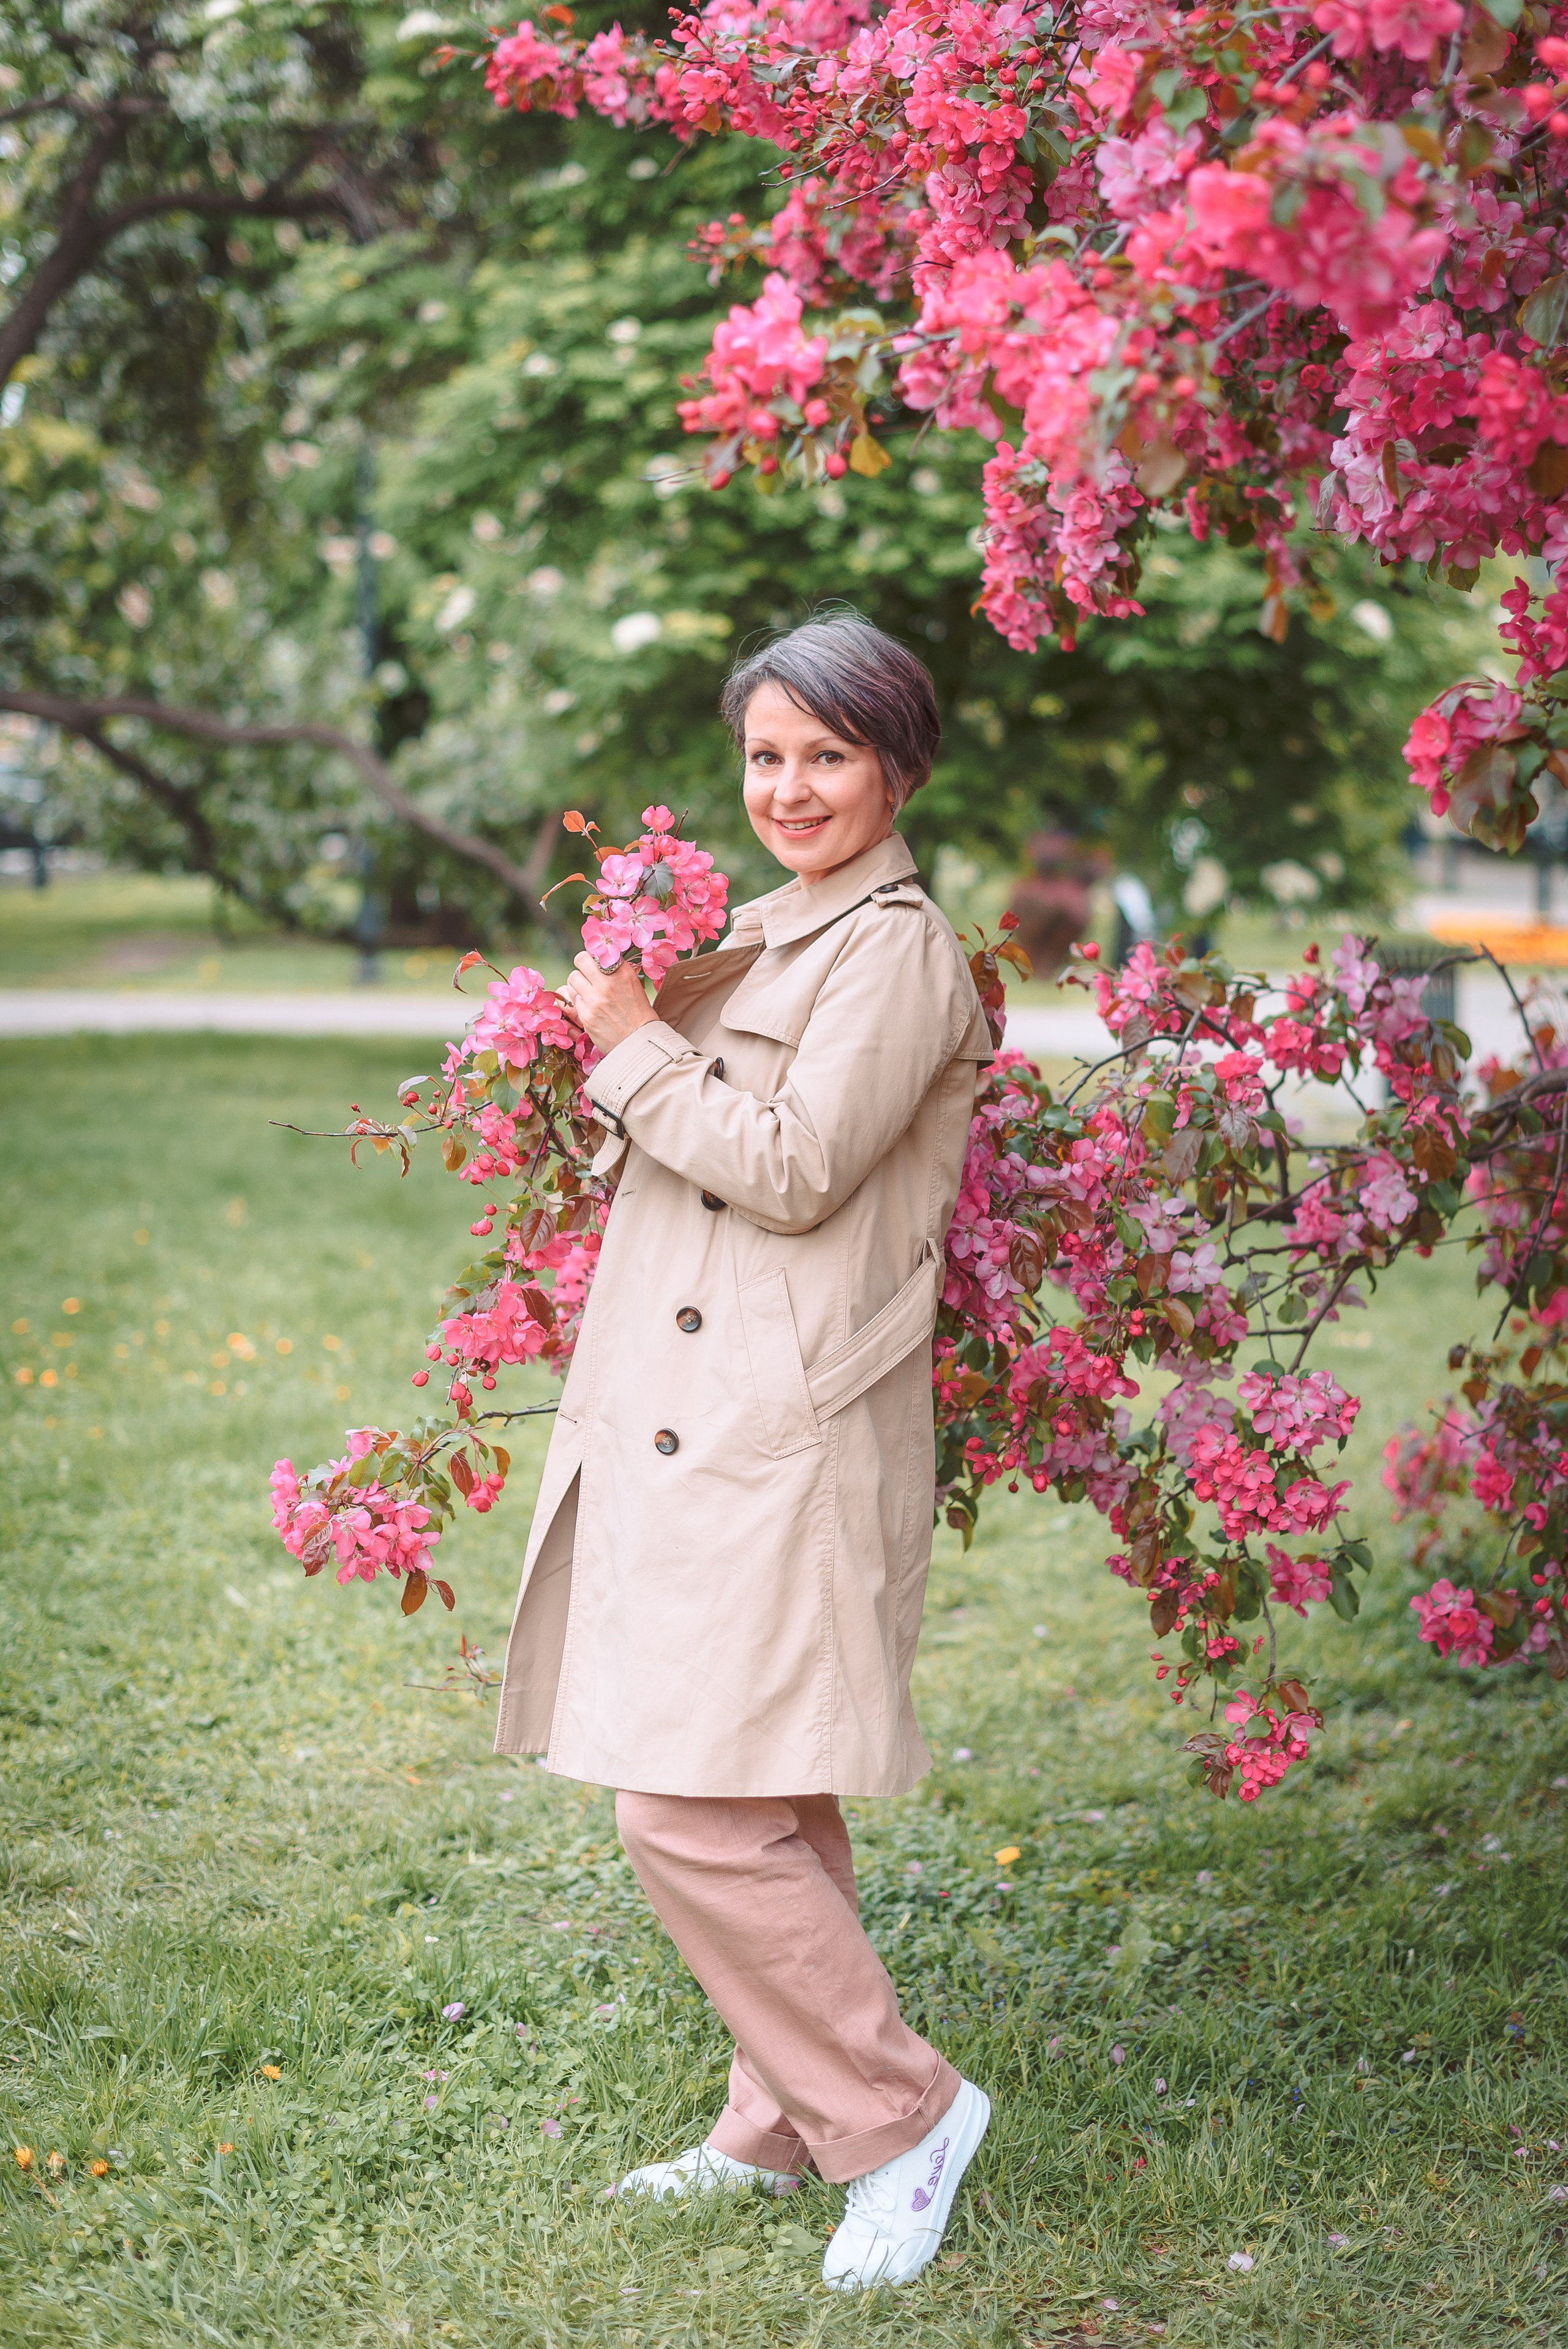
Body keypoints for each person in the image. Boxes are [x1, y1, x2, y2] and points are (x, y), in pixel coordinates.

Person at [492, 611, 994, 2290]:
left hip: (787, 1426)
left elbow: (790, 1164)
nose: (787, 787)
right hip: (708, 1415)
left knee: (683, 1807)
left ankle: (899, 2114)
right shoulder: (783, 936)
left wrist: (630, 1037)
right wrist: (640, 1027)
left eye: (825, 755)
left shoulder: (899, 951)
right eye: (765, 755)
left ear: (898, 765)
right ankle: (775, 2123)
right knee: (762, 1782)